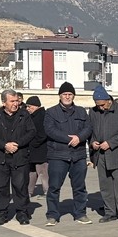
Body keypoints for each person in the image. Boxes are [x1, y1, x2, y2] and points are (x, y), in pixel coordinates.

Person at [43, 82, 93, 225]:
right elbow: (50, 130)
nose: (67, 97)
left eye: (70, 94)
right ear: (60, 96)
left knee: (80, 187)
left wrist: (79, 138)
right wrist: (69, 139)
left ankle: (80, 214)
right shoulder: (51, 112)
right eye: (64, 94)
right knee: (54, 187)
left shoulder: (81, 112)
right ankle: (52, 215)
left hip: (78, 155)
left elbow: (88, 128)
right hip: (58, 155)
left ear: (73, 96)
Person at [0, 89, 34, 226]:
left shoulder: (24, 115)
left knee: (20, 186)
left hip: (20, 157)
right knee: (1, 187)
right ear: (3, 102)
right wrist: (4, 145)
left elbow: (31, 132)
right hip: (1, 158)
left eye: (17, 101)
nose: (15, 104)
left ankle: (22, 213)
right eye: (12, 101)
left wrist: (18, 144)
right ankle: (1, 214)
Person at [85, 85, 118, 224]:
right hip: (100, 154)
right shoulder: (93, 112)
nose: (100, 108)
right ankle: (110, 212)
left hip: (117, 154)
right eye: (97, 105)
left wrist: (111, 143)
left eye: (102, 105)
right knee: (105, 185)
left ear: (108, 100)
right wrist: (92, 142)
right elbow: (90, 130)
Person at [24, 96, 49, 201]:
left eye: (29, 106)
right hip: (34, 150)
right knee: (32, 172)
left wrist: (33, 143)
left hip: (40, 150)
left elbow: (43, 134)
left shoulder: (41, 116)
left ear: (35, 106)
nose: (27, 109)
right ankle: (28, 192)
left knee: (43, 172)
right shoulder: (35, 116)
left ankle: (47, 192)